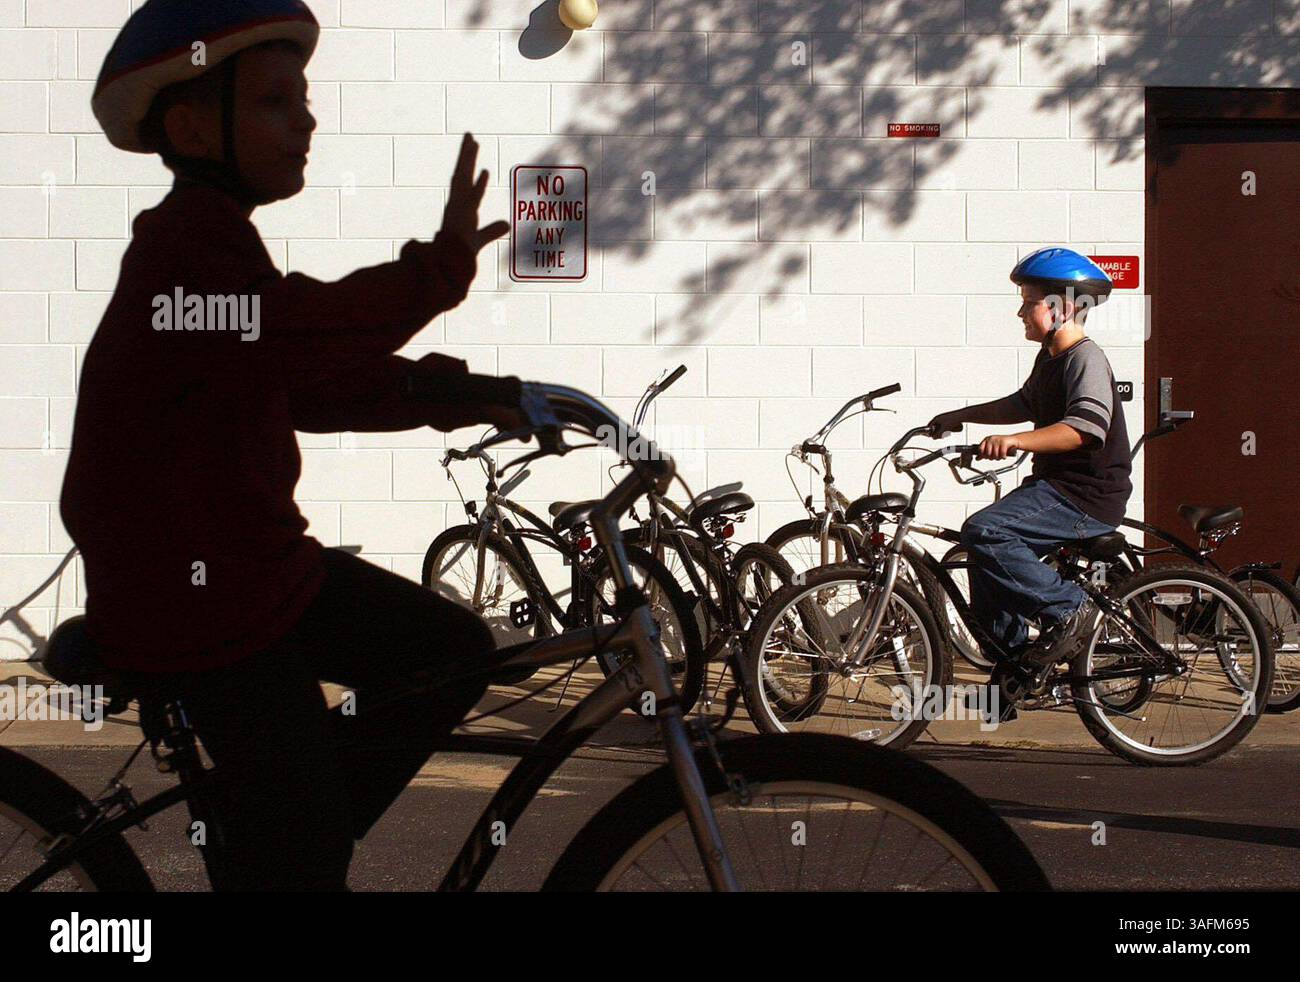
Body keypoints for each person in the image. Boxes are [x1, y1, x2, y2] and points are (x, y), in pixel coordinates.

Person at [61, 0, 522, 890]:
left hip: (253, 575)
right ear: (193, 125)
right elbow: (299, 335)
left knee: (447, 655)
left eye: (301, 98)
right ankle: (279, 851)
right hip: (198, 603)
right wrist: (436, 273)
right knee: (305, 841)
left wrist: (471, 395)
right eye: (276, 100)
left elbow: (302, 380)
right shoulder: (183, 249)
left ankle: (271, 843)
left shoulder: (220, 240)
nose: (306, 119)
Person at [927, 248, 1132, 714]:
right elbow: (1023, 402)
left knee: (987, 530)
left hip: (1085, 496)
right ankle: (1013, 679)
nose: (1020, 311)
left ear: (1061, 306)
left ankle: (1069, 608)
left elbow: (1084, 429)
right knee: (981, 556)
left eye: (1029, 301)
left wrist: (1017, 441)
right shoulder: (1051, 358)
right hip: (1056, 489)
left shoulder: (1086, 360)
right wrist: (961, 417)